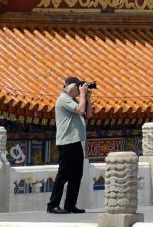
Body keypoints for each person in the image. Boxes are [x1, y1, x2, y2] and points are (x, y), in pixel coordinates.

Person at [47, 77, 93, 214]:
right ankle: (52, 205)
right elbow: (80, 110)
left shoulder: (74, 100)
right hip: (66, 142)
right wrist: (83, 95)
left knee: (76, 175)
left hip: (76, 141)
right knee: (63, 175)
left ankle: (70, 205)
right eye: (77, 86)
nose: (79, 89)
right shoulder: (63, 98)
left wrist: (88, 98)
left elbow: (88, 114)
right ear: (70, 87)